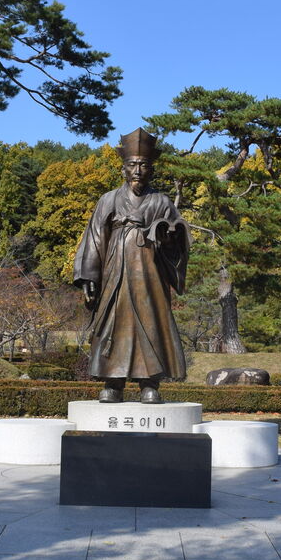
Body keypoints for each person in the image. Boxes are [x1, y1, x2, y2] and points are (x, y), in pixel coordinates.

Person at [73, 128, 189, 404]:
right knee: (112, 323)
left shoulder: (161, 201)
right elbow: (95, 238)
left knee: (151, 324)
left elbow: (179, 236)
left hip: (150, 275)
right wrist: (89, 275)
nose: (137, 170)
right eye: (132, 165)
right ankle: (113, 383)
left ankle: (150, 384)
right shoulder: (109, 199)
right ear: (123, 168)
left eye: (143, 165)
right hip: (115, 271)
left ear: (151, 169)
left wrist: (168, 236)